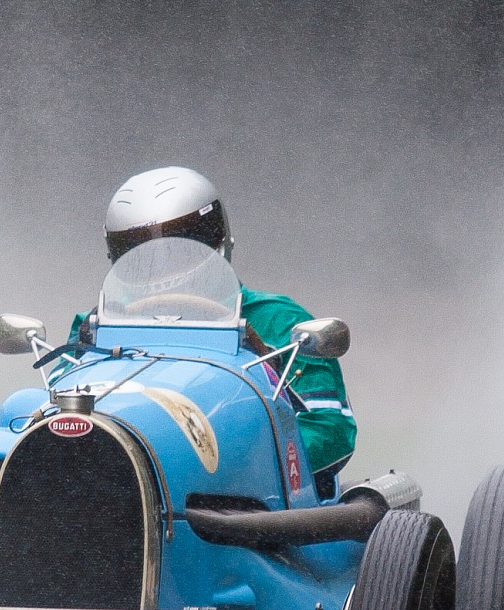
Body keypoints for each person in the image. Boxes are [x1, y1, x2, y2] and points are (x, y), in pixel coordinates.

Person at [72, 166, 358, 482]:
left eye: (181, 249)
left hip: (246, 509)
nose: (162, 269)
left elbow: (331, 427)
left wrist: (240, 456)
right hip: (115, 486)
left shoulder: (279, 321)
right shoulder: (94, 326)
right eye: (139, 255)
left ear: (216, 240)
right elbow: (60, 412)